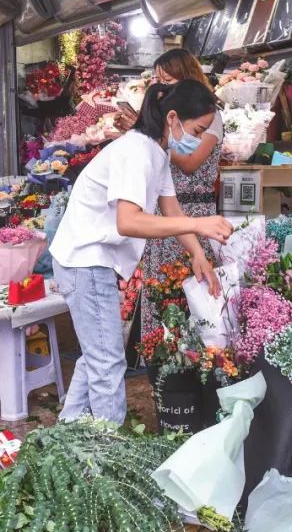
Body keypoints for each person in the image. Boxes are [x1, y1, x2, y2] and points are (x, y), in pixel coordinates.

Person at [50, 80, 233, 424]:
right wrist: (199, 225)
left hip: (90, 262)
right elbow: (129, 222)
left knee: (97, 356)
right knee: (107, 362)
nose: (200, 137)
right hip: (85, 261)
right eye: (198, 129)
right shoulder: (137, 152)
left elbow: (172, 209)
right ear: (173, 118)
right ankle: (105, 455)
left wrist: (198, 255)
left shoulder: (156, 152)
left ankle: (68, 432)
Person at [138, 49, 225, 337]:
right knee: (162, 291)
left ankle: (199, 361)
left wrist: (161, 145)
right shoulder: (164, 125)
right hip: (165, 215)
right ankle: (162, 361)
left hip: (194, 212)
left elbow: (190, 162)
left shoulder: (209, 116)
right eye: (159, 80)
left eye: (169, 79)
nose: (163, 87)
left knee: (194, 293)